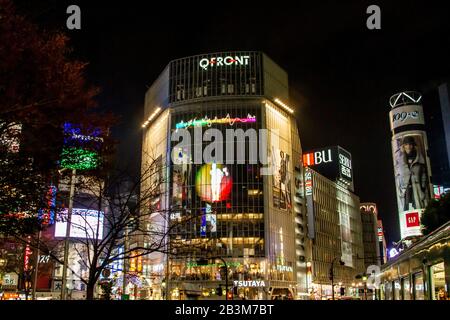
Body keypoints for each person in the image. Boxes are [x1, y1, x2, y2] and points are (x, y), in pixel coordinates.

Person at [395, 136, 430, 211]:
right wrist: (400, 186)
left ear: (413, 145)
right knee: (406, 208)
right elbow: (397, 174)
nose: (408, 146)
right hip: (405, 188)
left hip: (417, 188)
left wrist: (423, 186)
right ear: (403, 146)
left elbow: (423, 173)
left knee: (419, 207)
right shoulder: (399, 159)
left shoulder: (419, 157)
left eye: (410, 144)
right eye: (406, 144)